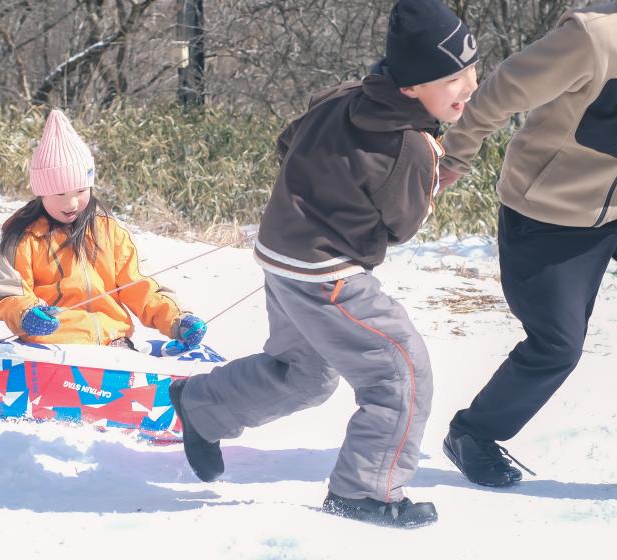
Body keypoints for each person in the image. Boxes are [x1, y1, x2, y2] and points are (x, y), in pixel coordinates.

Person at [167, 0, 479, 528]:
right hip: (328, 276)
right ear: (410, 89)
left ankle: (204, 406)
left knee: (306, 374)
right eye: (452, 78)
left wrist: (319, 193)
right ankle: (365, 490)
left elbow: (287, 142)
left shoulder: (339, 98)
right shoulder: (412, 148)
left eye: (472, 70)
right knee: (400, 372)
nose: (468, 87)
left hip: (281, 255)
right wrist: (431, 184)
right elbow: (401, 227)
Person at [439, 2, 617, 487]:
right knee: (557, 345)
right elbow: (502, 89)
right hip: (550, 212)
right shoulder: (594, 38)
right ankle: (472, 434)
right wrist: (458, 151)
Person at [0, 109, 206, 351]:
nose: (71, 204)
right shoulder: (23, 237)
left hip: (111, 341)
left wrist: (177, 319)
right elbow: (8, 292)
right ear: (41, 193)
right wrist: (27, 314)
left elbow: (140, 284)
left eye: (81, 191)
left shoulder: (109, 230)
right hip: (50, 345)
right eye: (60, 194)